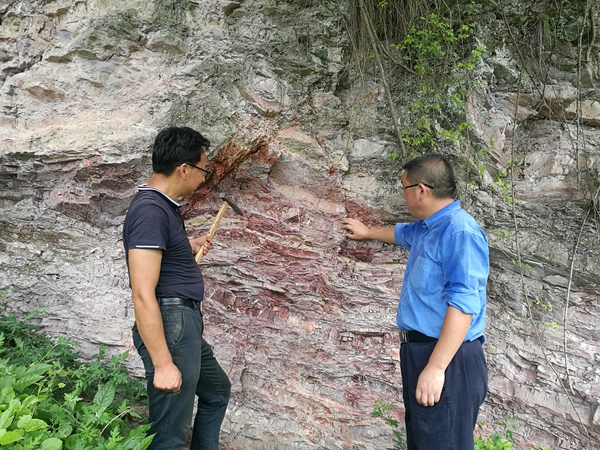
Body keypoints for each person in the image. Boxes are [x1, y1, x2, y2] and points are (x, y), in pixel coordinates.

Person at [341, 153, 489, 450]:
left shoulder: (460, 231)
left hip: (448, 358)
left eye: (404, 187)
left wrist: (435, 368)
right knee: (425, 442)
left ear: (421, 190)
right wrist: (367, 232)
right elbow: (400, 233)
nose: (403, 194)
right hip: (423, 353)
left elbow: (463, 306)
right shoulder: (428, 228)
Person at [123, 126, 231, 450]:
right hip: (173, 325)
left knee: (217, 392)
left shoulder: (163, 207)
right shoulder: (150, 211)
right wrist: (163, 364)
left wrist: (187, 245)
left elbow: (160, 254)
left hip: (183, 325)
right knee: (169, 434)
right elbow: (142, 293)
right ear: (184, 168)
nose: (202, 178)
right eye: (202, 170)